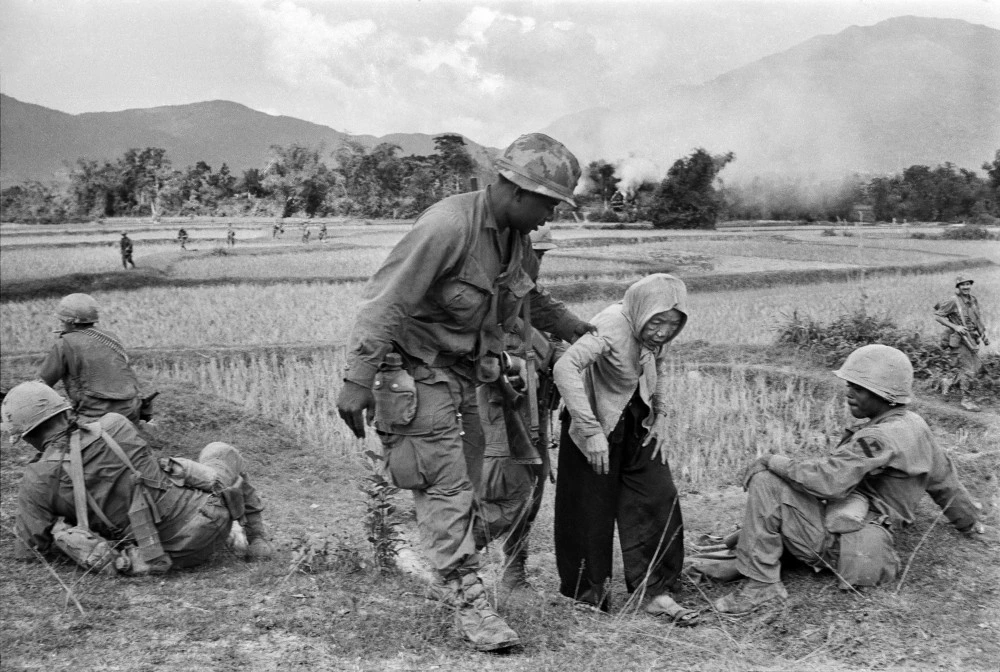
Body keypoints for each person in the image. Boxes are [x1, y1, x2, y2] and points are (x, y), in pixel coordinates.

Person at [336, 133, 594, 652]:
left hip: (469, 375)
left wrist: (576, 328)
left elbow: (525, 298)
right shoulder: (449, 225)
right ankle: (472, 603)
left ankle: (448, 558)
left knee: (490, 486)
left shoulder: (513, 237)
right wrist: (357, 380)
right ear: (515, 190)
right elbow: (385, 301)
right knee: (447, 487)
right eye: (548, 204)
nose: (551, 218)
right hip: (414, 372)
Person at [714, 344, 985, 614]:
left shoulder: (877, 438)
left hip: (850, 547)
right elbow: (945, 483)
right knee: (782, 491)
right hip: (865, 541)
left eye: (859, 388)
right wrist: (969, 522)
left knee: (766, 482)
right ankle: (753, 552)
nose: (849, 393)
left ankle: (763, 587)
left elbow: (829, 481)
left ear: (885, 395)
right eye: (850, 385)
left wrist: (772, 461)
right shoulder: (914, 424)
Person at [3, 381, 273, 576]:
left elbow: (30, 551)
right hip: (214, 518)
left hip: (162, 553)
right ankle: (257, 539)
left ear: (25, 435)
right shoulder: (115, 424)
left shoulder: (37, 479)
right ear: (64, 411)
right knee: (220, 451)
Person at [552, 273, 698, 624]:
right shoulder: (611, 325)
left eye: (673, 324)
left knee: (658, 497)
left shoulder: (655, 332)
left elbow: (657, 362)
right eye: (658, 321)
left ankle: (656, 591)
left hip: (636, 423)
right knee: (589, 512)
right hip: (595, 426)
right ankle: (588, 597)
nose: (662, 331)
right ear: (642, 310)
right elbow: (565, 366)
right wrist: (590, 431)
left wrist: (659, 412)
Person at [476, 225, 562, 594]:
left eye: (541, 256)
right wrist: (514, 363)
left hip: (535, 414)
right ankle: (454, 566)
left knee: (532, 495)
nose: (537, 263)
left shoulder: (529, 298)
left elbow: (550, 333)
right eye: (533, 255)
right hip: (499, 414)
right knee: (503, 496)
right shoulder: (489, 296)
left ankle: (514, 574)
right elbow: (478, 354)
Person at [38, 293, 145, 424]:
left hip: (96, 416)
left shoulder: (64, 343)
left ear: (71, 322)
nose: (60, 324)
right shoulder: (111, 337)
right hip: (131, 411)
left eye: (62, 320)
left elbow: (42, 385)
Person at [934, 274, 990, 412]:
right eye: (963, 284)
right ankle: (966, 400)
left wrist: (983, 335)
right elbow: (938, 316)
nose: (966, 287)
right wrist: (956, 327)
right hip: (959, 340)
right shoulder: (953, 301)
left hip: (972, 339)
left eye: (968, 284)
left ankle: (947, 382)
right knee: (968, 370)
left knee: (976, 368)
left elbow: (977, 319)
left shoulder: (973, 300)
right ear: (958, 286)